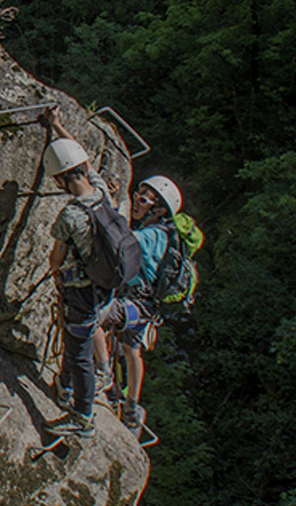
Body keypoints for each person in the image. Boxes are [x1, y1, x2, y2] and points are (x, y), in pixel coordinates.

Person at [39, 110, 137, 440]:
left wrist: (56, 275)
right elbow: (80, 154)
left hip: (80, 295)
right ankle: (64, 388)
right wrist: (56, 126)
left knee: (79, 353)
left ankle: (81, 416)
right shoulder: (102, 193)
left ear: (59, 180)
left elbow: (56, 258)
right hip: (105, 291)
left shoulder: (70, 215)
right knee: (74, 341)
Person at [97, 173, 183, 431]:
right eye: (137, 194)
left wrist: (106, 205)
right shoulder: (161, 232)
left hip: (135, 304)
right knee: (131, 350)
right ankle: (132, 408)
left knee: (94, 318)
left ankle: (104, 374)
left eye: (144, 199)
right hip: (145, 309)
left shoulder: (152, 235)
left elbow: (122, 241)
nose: (136, 201)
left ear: (158, 210)